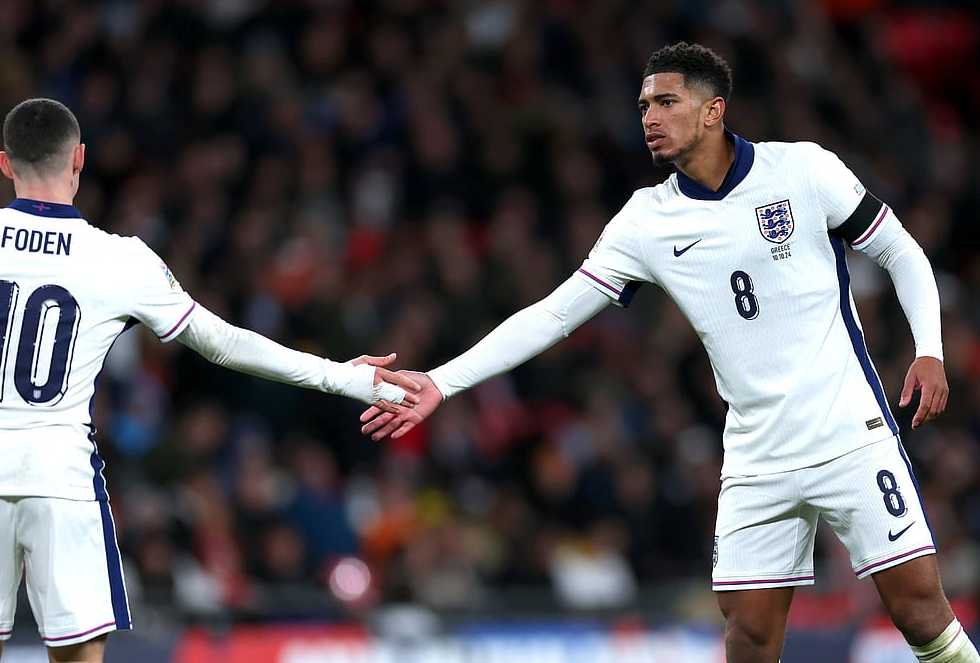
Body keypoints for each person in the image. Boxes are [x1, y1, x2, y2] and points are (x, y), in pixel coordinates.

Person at [362, 42, 978, 663]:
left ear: (713, 110)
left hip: (848, 430)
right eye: (642, 106)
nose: (649, 118)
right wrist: (443, 381)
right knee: (750, 635)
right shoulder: (645, 221)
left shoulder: (803, 171)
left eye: (665, 101)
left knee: (918, 610)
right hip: (756, 456)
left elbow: (901, 252)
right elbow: (553, 314)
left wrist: (930, 350)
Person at [0, 97, 421, 663]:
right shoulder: (121, 259)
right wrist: (340, 377)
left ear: (3, 163)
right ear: (80, 159)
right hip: (61, 479)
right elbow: (224, 343)